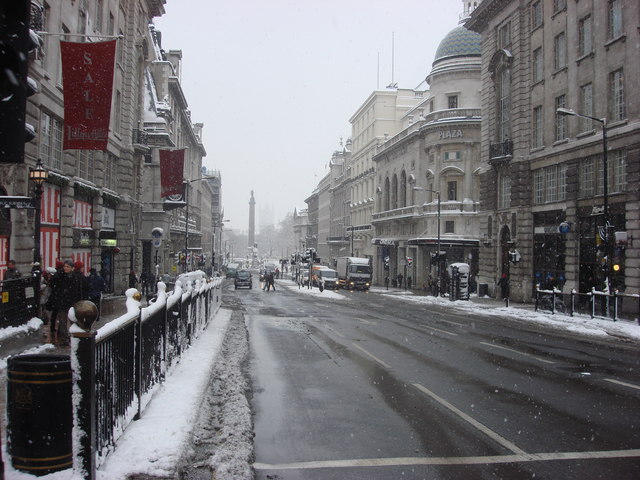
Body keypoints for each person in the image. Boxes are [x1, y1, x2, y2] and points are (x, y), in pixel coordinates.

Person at [49, 260, 83, 346]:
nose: (66, 268)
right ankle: (64, 339)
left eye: (68, 267)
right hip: (62, 302)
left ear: (72, 268)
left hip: (72, 303)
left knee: (73, 321)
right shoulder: (60, 276)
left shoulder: (75, 277)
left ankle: (74, 337)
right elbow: (53, 283)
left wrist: (79, 301)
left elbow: (79, 290)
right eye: (65, 266)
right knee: (62, 322)